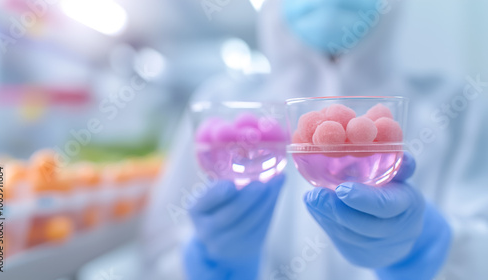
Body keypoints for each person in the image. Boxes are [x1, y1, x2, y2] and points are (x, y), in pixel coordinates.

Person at [141, 0, 488, 279]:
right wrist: (211, 265)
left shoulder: (456, 107)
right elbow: (155, 253)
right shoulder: (221, 102)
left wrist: (425, 250)